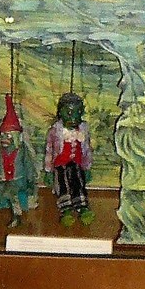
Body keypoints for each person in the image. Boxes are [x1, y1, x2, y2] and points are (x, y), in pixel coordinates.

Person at [0, 93, 37, 226]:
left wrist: (31, 182)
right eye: (2, 135)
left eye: (8, 136)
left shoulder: (22, 152)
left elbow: (29, 167)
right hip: (2, 179)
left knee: (11, 192)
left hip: (18, 180)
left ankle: (16, 217)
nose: (4, 139)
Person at [44, 92, 93, 226]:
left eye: (78, 112)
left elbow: (87, 149)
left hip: (76, 164)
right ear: (61, 112)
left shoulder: (83, 130)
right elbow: (49, 151)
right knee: (63, 186)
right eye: (69, 113)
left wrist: (87, 167)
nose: (74, 117)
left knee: (79, 184)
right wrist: (48, 171)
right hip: (60, 165)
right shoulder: (55, 132)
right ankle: (66, 210)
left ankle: (82, 207)